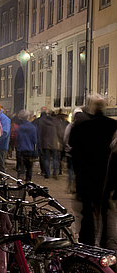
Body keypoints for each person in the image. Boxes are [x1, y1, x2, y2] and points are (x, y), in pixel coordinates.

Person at [69, 94, 117, 246]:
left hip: (85, 175)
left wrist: (76, 175)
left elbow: (73, 151)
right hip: (104, 175)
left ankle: (87, 241)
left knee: (87, 211)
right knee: (104, 210)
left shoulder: (80, 127)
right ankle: (104, 243)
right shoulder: (111, 125)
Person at [38, 111, 62, 179]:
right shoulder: (57, 122)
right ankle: (55, 173)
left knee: (46, 159)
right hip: (55, 143)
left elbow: (40, 133)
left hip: (45, 143)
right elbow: (60, 133)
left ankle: (47, 174)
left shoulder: (43, 122)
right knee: (55, 159)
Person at [16, 110, 37, 182]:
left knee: (20, 166)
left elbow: (17, 138)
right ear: (28, 117)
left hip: (20, 149)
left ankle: (20, 179)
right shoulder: (32, 127)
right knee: (29, 167)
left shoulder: (19, 127)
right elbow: (34, 140)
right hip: (30, 149)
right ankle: (28, 181)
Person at [32, 107, 47, 175]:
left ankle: (43, 170)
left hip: (40, 140)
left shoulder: (37, 121)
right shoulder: (49, 120)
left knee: (42, 156)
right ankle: (47, 171)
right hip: (48, 140)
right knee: (47, 156)